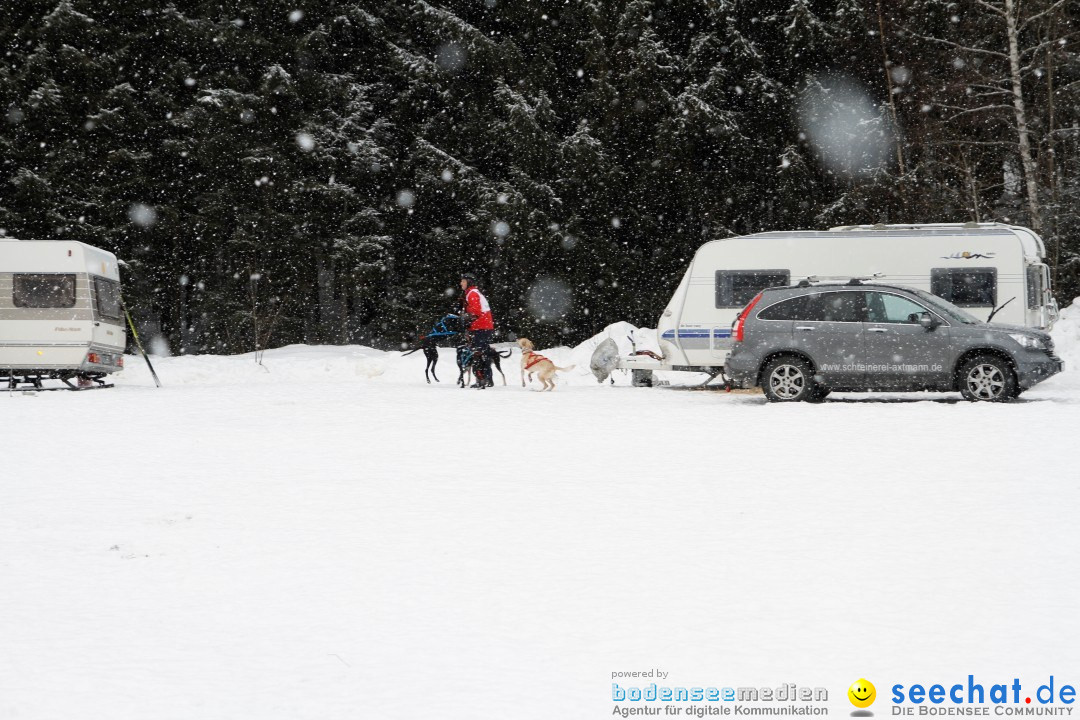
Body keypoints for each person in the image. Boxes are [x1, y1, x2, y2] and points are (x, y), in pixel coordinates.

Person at [459, 272, 495, 389]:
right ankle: (487, 379)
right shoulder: (474, 292)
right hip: (484, 326)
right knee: (483, 352)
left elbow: (476, 311)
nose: (461, 283)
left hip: (480, 327)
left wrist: (465, 318)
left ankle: (481, 379)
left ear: (468, 282)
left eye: (463, 281)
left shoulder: (472, 293)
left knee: (478, 353)